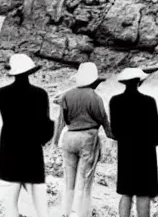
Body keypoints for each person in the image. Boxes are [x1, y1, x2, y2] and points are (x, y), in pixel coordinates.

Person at [0, 53, 54, 217]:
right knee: (40, 207)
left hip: (10, 152)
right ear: (30, 72)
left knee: (9, 206)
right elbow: (45, 126)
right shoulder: (41, 94)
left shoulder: (2, 93)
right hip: (32, 153)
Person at [60, 62, 113, 217]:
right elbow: (103, 120)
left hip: (69, 137)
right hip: (87, 137)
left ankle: (65, 212)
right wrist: (112, 135)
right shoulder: (95, 97)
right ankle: (81, 214)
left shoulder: (67, 95)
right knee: (84, 181)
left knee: (68, 181)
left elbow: (65, 119)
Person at [109, 67, 158, 217]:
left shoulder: (115, 101)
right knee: (143, 193)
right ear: (139, 81)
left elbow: (115, 130)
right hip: (145, 150)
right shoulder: (149, 101)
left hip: (126, 150)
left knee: (126, 192)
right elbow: (155, 130)